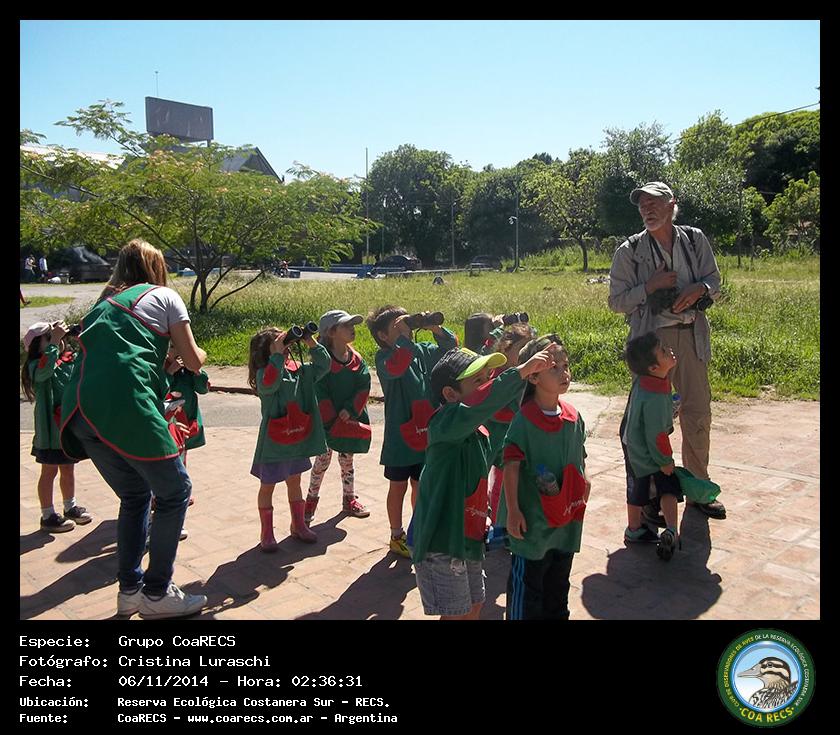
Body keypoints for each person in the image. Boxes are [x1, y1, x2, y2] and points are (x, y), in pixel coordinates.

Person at [60, 239, 208, 620]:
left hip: (80, 410)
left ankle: (129, 592)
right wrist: (195, 356)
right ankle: (157, 593)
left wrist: (163, 366)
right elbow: (194, 360)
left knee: (135, 494)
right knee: (176, 491)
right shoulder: (165, 296)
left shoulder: (105, 303)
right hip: (123, 405)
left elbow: (121, 357)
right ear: (157, 270)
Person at [608, 181, 726, 520]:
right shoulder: (629, 251)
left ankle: (699, 490)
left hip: (691, 336)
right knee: (649, 423)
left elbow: (715, 281)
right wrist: (650, 286)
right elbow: (616, 302)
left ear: (672, 204)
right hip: (652, 343)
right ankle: (652, 498)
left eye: (654, 202)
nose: (647, 209)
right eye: (642, 204)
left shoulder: (694, 240)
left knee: (697, 413)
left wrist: (699, 288)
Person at [409, 345, 554, 620]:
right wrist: (520, 372)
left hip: (468, 537)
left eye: (488, 378)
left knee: (475, 605)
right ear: (451, 394)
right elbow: (487, 400)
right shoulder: (444, 424)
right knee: (455, 614)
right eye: (478, 380)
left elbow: (509, 457)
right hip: (440, 540)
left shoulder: (481, 432)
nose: (488, 385)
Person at [499, 335, 590, 619]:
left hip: (566, 521)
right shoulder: (524, 420)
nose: (564, 373)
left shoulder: (573, 417)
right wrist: (513, 511)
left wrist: (585, 485)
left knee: (558, 588)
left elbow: (580, 458)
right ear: (534, 377)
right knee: (528, 592)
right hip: (533, 524)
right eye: (554, 367)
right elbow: (511, 466)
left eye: (566, 365)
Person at [365, 305, 458, 557]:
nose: (404, 327)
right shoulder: (384, 357)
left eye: (405, 322)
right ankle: (397, 535)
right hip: (400, 436)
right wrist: (405, 339)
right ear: (383, 335)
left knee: (421, 484)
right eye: (396, 326)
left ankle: (420, 528)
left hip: (426, 432)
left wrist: (435, 328)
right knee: (398, 486)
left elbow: (451, 349)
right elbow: (396, 367)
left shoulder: (421, 351)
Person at [248, 325, 331, 549]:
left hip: (296, 439)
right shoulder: (264, 374)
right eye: (281, 344)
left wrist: (310, 342)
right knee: (267, 486)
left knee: (295, 482)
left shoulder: (298, 370)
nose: (286, 348)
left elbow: (324, 365)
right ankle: (267, 533)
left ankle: (298, 524)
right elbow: (270, 384)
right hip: (274, 444)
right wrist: (276, 356)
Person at [22, 320, 92, 533]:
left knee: (68, 469)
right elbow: (44, 371)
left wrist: (79, 337)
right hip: (49, 433)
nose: (57, 340)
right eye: (49, 338)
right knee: (49, 471)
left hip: (65, 429)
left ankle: (70, 506)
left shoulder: (65, 359)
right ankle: (47, 515)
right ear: (37, 346)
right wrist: (54, 342)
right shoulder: (36, 366)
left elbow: (82, 365)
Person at [305, 310, 372, 525]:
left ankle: (349, 499)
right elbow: (319, 390)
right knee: (322, 461)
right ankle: (311, 500)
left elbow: (364, 385)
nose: (352, 329)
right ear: (332, 332)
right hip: (327, 423)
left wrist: (351, 409)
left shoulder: (356, 359)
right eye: (346, 325)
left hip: (348, 420)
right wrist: (331, 418)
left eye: (353, 324)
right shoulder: (323, 362)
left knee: (347, 460)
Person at [621, 332, 683, 561]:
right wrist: (665, 461)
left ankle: (635, 528)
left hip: (632, 441)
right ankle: (670, 529)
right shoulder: (655, 397)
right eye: (664, 351)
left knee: (638, 486)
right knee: (666, 485)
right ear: (654, 367)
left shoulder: (646, 379)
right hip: (646, 450)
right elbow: (657, 436)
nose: (670, 351)